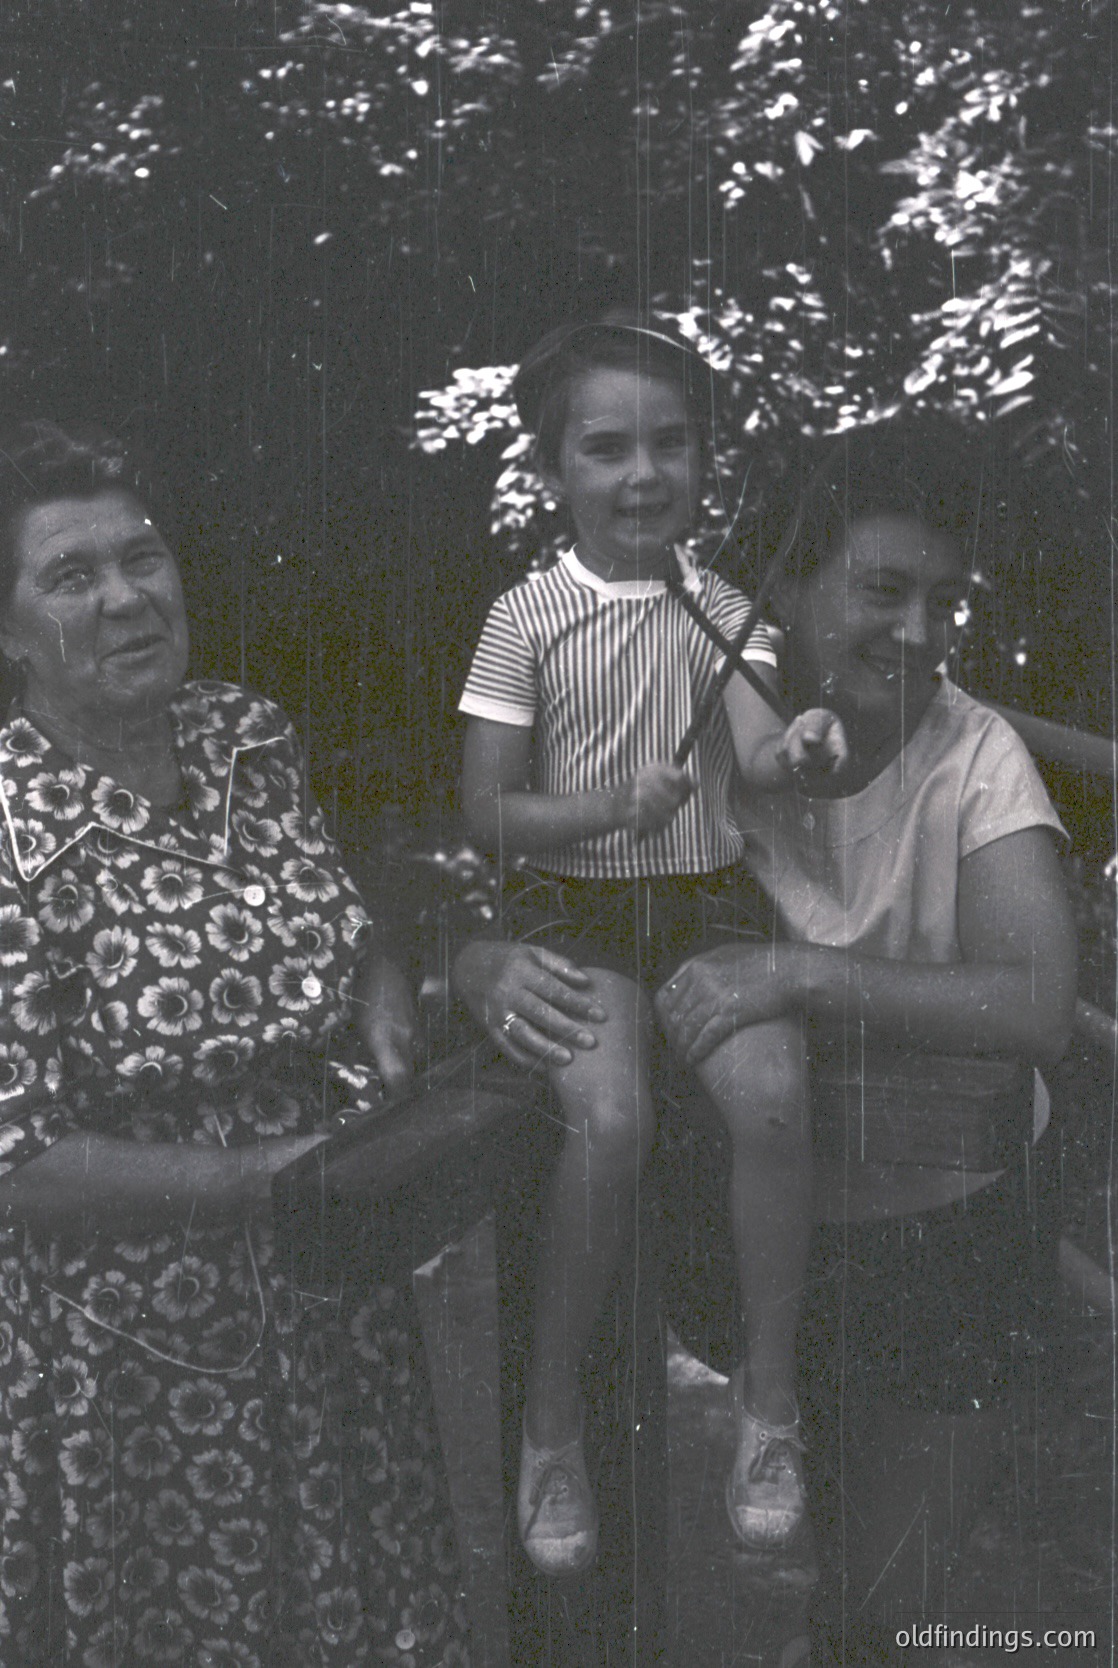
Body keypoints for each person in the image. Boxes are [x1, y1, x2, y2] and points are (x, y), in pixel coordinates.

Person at [455, 417, 1078, 1661]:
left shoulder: (976, 755)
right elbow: (556, 874)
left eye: (943, 604)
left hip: (941, 1237)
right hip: (746, 1242)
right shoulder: (693, 708)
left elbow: (1034, 1006)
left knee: (884, 1606)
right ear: (788, 587)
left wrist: (791, 973)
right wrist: (478, 961)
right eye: (882, 591)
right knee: (737, 1562)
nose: (915, 634)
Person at [0, 422, 470, 1667]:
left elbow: (332, 916)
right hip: (142, 1371)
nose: (126, 597)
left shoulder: (246, 738)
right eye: (71, 577)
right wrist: (272, 1179)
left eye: (141, 558)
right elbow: (22, 1162)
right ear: (7, 636)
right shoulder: (6, 828)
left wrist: (375, 987)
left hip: (334, 1311)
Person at [457, 315, 846, 1576]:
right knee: (608, 1126)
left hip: (703, 905)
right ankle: (551, 1419)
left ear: (701, 461)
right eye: (607, 448)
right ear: (553, 470)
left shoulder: (718, 607)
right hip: (575, 905)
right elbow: (489, 810)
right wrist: (599, 808)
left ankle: (768, 1405)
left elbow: (764, 752)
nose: (641, 474)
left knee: (775, 1100)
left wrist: (802, 750)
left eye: (668, 446)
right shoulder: (524, 619)